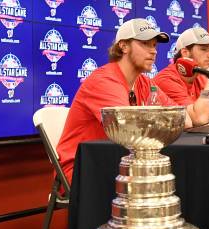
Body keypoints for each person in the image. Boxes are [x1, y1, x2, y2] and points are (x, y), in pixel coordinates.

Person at [56, 19, 188, 184]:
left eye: (154, 45)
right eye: (145, 43)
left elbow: (183, 118)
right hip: (82, 170)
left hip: (119, 162)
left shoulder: (144, 82)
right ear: (123, 46)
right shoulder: (104, 81)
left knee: (183, 175)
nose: (153, 51)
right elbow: (128, 132)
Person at [153, 27, 209, 127]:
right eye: (204, 49)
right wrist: (208, 88)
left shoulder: (202, 79)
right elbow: (199, 119)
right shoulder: (166, 80)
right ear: (185, 53)